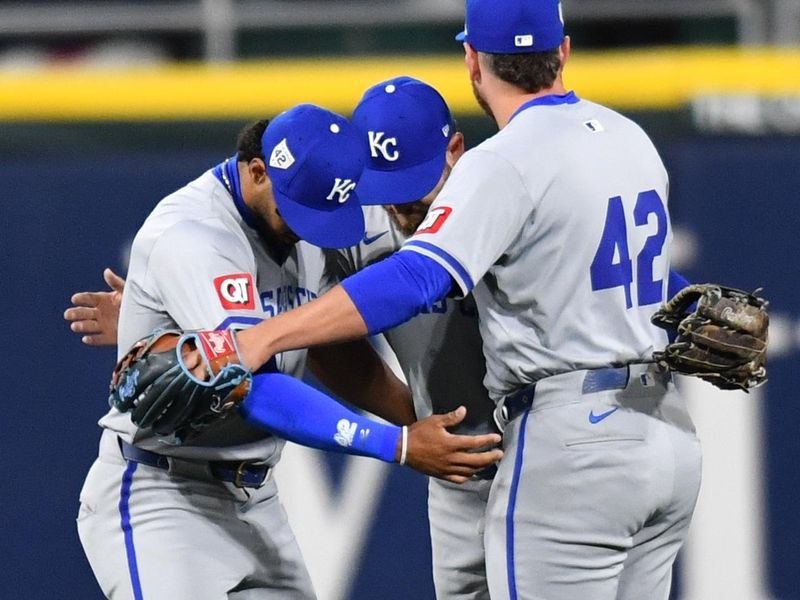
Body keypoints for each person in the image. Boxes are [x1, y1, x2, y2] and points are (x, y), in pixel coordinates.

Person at [207, 3, 704, 598]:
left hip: (560, 444)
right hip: (620, 437)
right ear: (563, 51)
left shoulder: (500, 171)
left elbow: (416, 276)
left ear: (472, 64)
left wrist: (264, 336)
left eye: (415, 190)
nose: (402, 209)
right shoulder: (627, 138)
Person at [74, 103, 501, 600]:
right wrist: (398, 445)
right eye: (299, 213)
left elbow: (326, 347)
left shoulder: (308, 206)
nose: (310, 229)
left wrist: (416, 415)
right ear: (258, 171)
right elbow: (251, 386)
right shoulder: (195, 238)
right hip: (162, 494)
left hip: (254, 496)